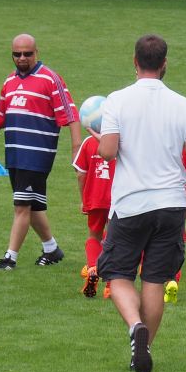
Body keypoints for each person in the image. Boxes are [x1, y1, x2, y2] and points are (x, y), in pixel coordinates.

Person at [95, 34, 186, 372]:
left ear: (135, 62)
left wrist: (100, 141)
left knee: (118, 274)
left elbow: (108, 151)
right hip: (171, 204)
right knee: (154, 280)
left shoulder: (117, 100)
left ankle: (136, 327)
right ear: (165, 64)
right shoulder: (184, 105)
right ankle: (143, 349)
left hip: (131, 203)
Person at [0, 33, 81, 270]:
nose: (22, 58)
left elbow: (70, 114)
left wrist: (76, 148)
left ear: (36, 52)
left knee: (21, 206)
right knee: (32, 206)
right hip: (15, 154)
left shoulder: (50, 79)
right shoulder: (9, 81)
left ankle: (10, 258)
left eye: (27, 53)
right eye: (17, 54)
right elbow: (0, 115)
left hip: (36, 154)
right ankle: (51, 249)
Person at [72, 125, 115, 298]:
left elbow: (80, 174)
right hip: (116, 200)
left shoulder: (89, 142)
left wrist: (84, 199)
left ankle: (92, 269)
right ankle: (110, 287)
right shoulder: (119, 143)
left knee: (94, 236)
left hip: (95, 199)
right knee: (114, 241)